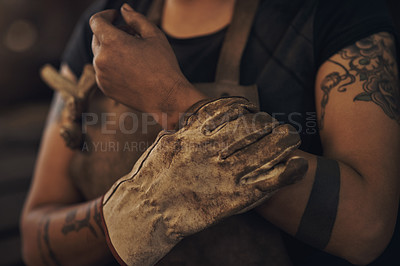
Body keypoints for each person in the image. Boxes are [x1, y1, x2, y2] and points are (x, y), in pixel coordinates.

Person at [21, 0, 400, 265]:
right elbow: (36, 238)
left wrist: (171, 99)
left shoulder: (335, 13)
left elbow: (367, 230)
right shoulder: (103, 29)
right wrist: (130, 212)